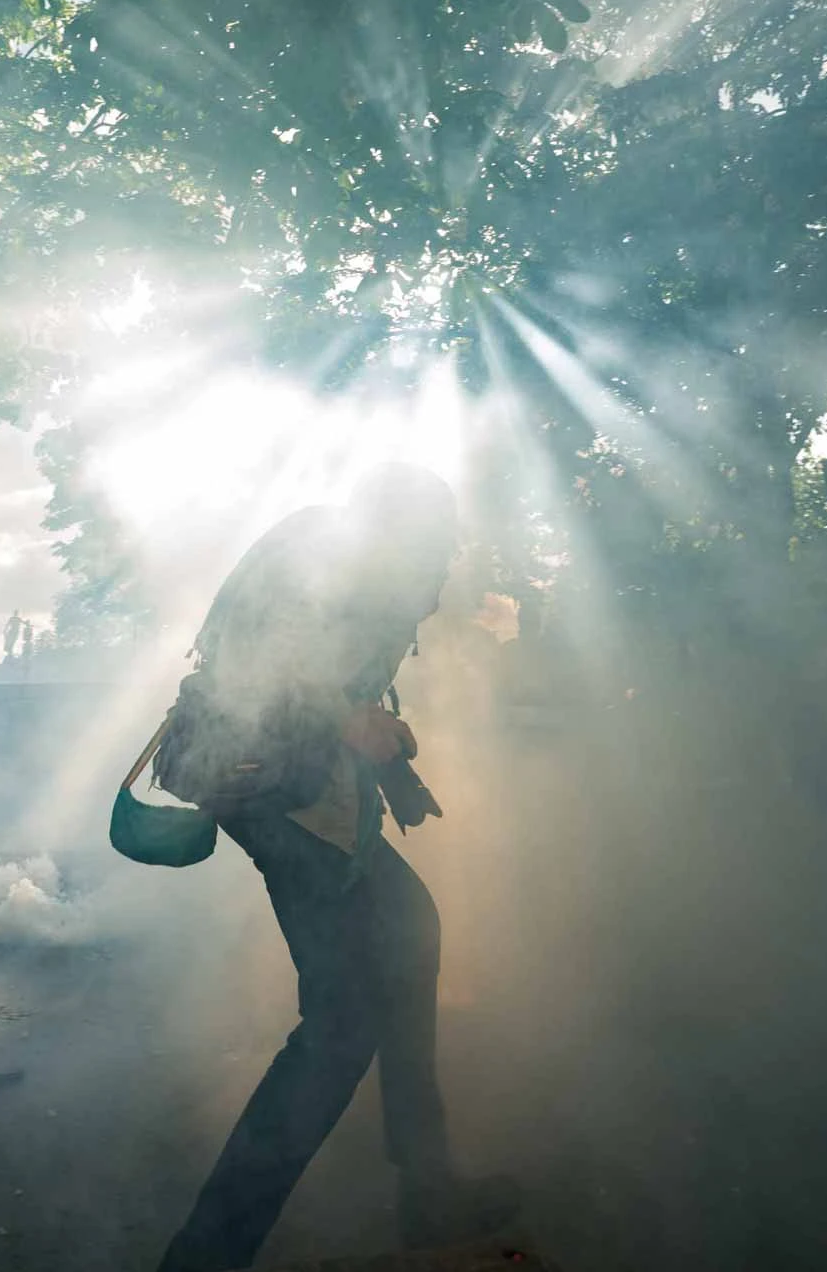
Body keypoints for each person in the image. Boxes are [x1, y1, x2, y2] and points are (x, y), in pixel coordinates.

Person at [154, 463, 518, 1272]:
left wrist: (396, 769)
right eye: (440, 540)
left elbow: (340, 692)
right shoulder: (332, 555)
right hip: (281, 801)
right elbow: (266, 670)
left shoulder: (353, 557)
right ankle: (204, 1257)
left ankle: (429, 1191)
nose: (444, 565)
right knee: (341, 1029)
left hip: (307, 801)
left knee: (411, 929)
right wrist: (351, 722)